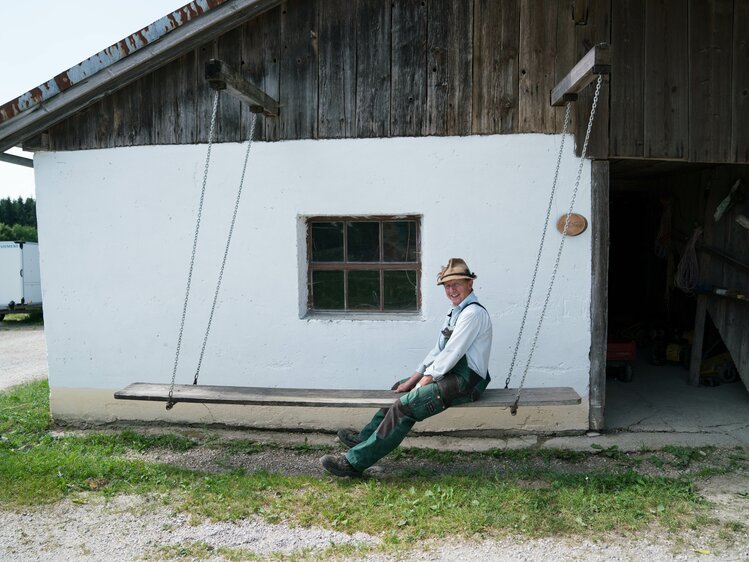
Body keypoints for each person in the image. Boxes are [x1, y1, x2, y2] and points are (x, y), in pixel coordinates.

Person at [320, 258, 493, 477]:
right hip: (451, 375)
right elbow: (438, 350)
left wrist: (423, 384)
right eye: (448, 286)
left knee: (406, 406)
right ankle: (365, 439)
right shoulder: (456, 312)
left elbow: (452, 354)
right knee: (399, 389)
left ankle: (353, 463)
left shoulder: (472, 314)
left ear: (470, 284)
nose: (451, 290)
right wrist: (413, 380)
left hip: (466, 383)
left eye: (456, 284)